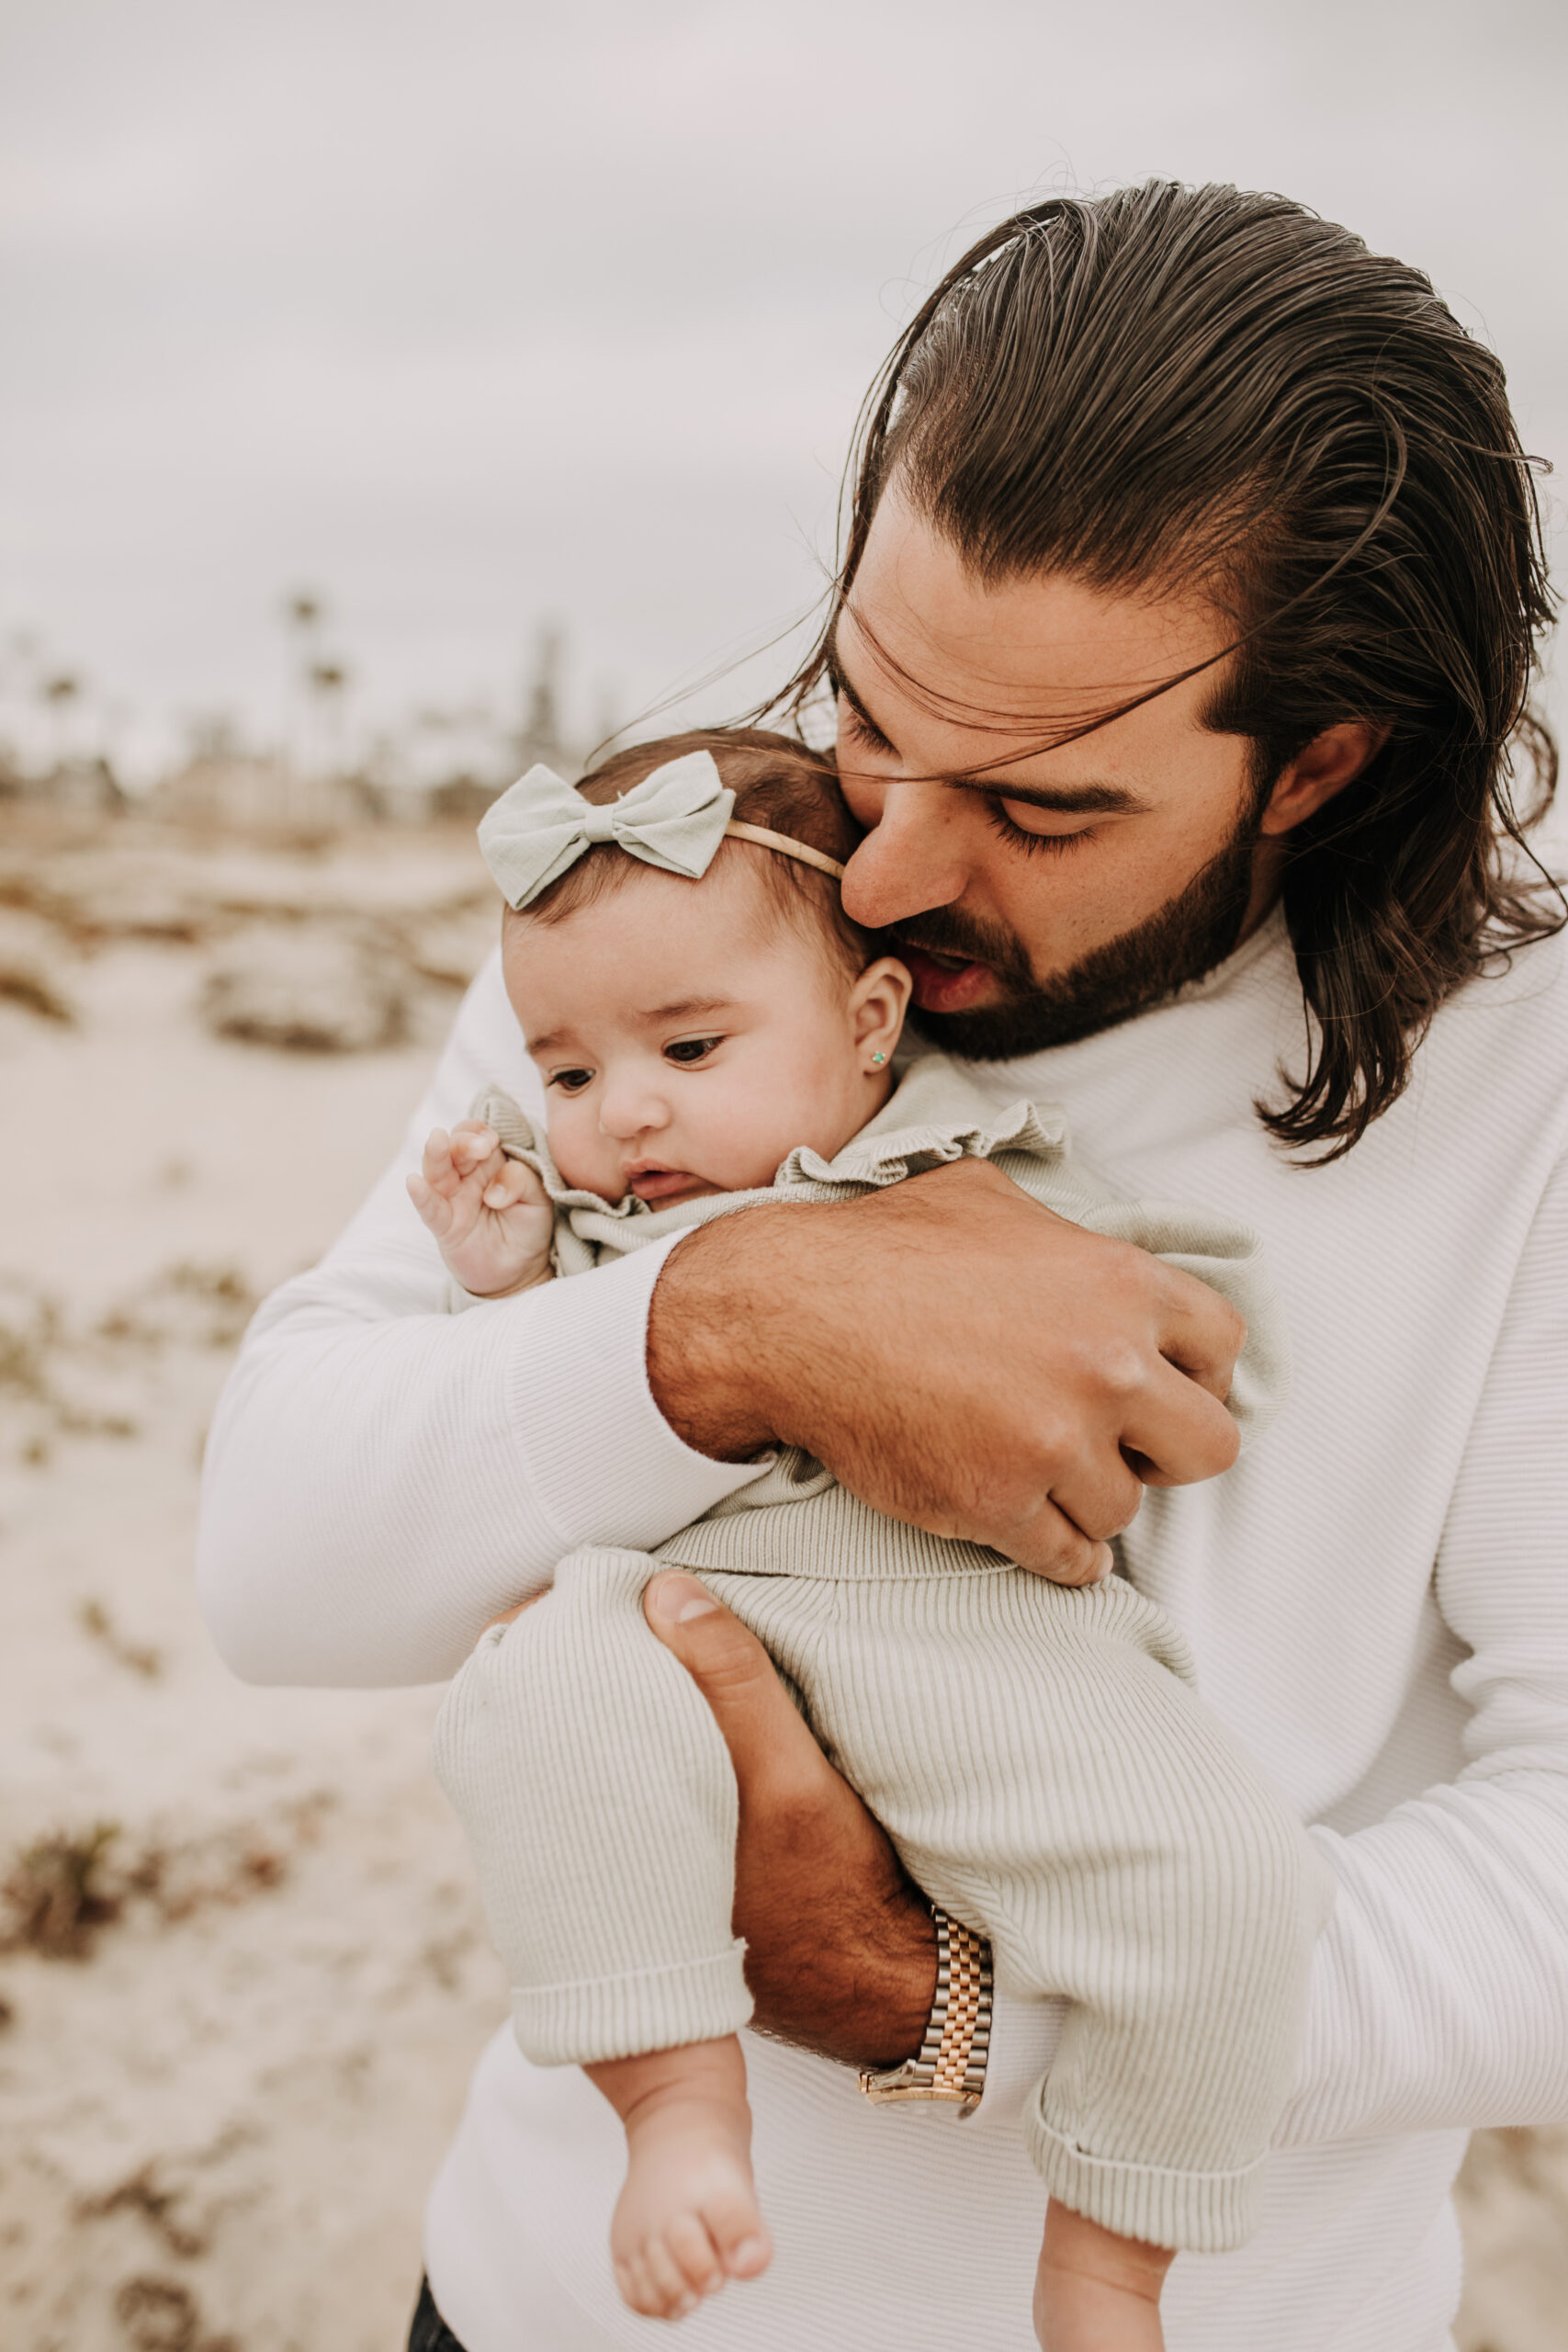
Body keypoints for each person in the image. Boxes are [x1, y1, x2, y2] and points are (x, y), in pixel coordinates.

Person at [197, 180, 1568, 2352]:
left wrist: (959, 2000)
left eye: (1037, 812)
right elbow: (276, 1561)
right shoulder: (688, 937)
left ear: (1316, 763)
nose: (892, 866)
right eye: (868, 711)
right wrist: (725, 1325)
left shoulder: (1527, 1096)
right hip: (546, 2301)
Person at [411, 731, 1329, 2352]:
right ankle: (679, 2101)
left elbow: (1148, 1317)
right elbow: (510, 1412)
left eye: (690, 1046)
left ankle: (1113, 2257)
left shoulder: (973, 1174)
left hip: (974, 1642)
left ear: (870, 1022)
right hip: (687, 1608)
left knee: (1231, 1879)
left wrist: (1183, 1333)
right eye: (566, 1074)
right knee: (542, 1695)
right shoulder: (604, 1223)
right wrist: (501, 1277)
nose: (624, 1110)